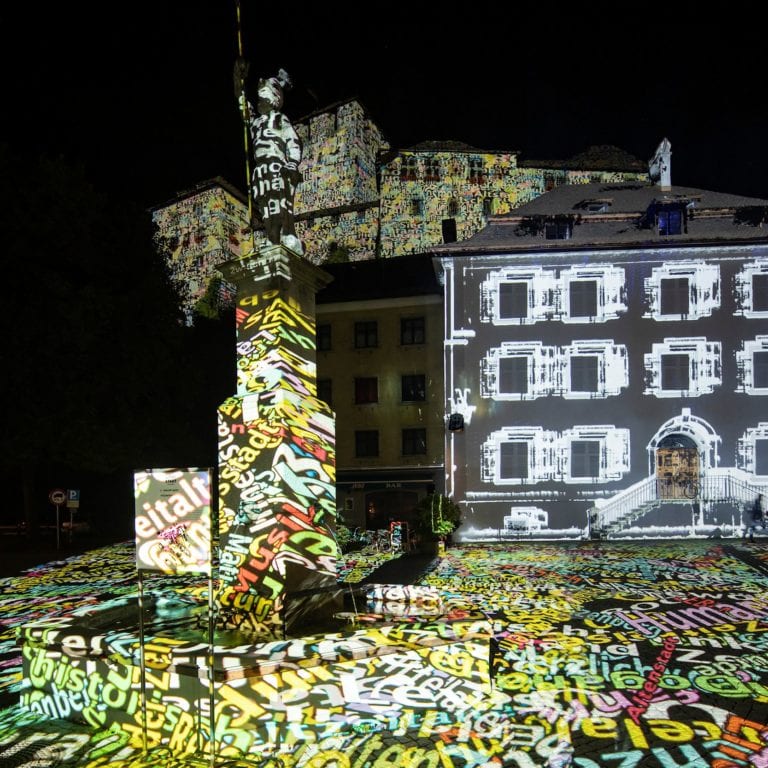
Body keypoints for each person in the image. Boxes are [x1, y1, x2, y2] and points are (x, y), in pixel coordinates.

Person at [234, 59, 303, 254]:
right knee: (266, 206)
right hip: (261, 169)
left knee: (281, 203)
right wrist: (238, 77)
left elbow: (293, 141)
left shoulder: (280, 119)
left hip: (278, 166)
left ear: (275, 97)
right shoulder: (255, 123)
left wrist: (292, 162)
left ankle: (287, 233)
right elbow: (241, 99)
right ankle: (272, 237)